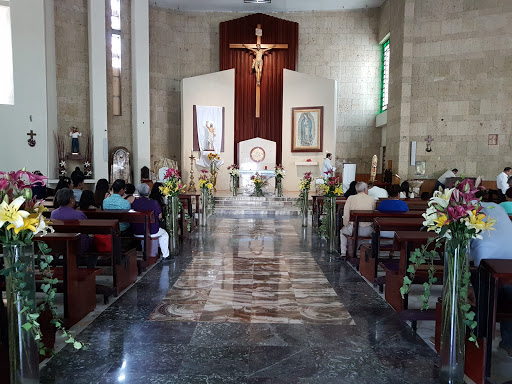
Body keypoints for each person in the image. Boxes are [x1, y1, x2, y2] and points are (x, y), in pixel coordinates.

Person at [470, 202, 512, 358]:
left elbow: (460, 251)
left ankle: (478, 341)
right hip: (510, 258)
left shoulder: (465, 211)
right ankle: (509, 343)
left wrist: (467, 284)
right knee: (509, 294)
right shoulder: (497, 207)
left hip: (487, 261)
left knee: (479, 297)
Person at [131, 184, 169, 259]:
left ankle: (145, 252)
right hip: (152, 231)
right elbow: (160, 216)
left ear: (138, 193)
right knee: (164, 234)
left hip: (137, 231)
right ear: (149, 192)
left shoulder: (134, 203)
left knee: (143, 229)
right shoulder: (154, 203)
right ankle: (165, 255)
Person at [340, 182, 376, 257]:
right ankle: (358, 251)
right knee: (361, 236)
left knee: (342, 232)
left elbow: (346, 214)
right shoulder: (371, 199)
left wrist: (345, 225)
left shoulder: (351, 198)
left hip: (353, 229)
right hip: (367, 230)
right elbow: (373, 212)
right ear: (365, 189)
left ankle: (343, 253)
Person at [50, 188, 92, 252]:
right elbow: (86, 231)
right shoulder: (79, 214)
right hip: (78, 246)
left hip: (59, 245)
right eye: (74, 197)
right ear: (71, 200)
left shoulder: (53, 214)